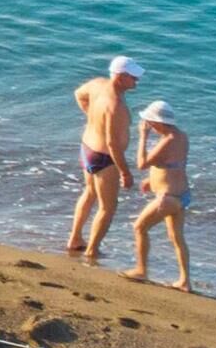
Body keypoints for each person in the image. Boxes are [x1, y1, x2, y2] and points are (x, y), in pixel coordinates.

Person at [68, 55, 143, 261]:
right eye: (133, 78)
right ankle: (92, 249)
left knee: (89, 193)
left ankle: (75, 238)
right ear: (120, 77)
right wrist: (125, 172)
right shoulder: (115, 105)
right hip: (104, 158)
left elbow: (78, 94)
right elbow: (112, 144)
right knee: (107, 207)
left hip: (87, 147)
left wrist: (90, 114)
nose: (137, 81)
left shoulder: (97, 84)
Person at [133, 101, 192, 290]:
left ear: (157, 122)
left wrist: (143, 136)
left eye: (150, 123)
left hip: (167, 198)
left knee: (139, 228)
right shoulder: (181, 136)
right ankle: (185, 281)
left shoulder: (167, 140)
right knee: (177, 237)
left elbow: (142, 163)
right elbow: (173, 163)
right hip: (181, 195)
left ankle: (141, 270)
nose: (150, 127)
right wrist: (151, 181)